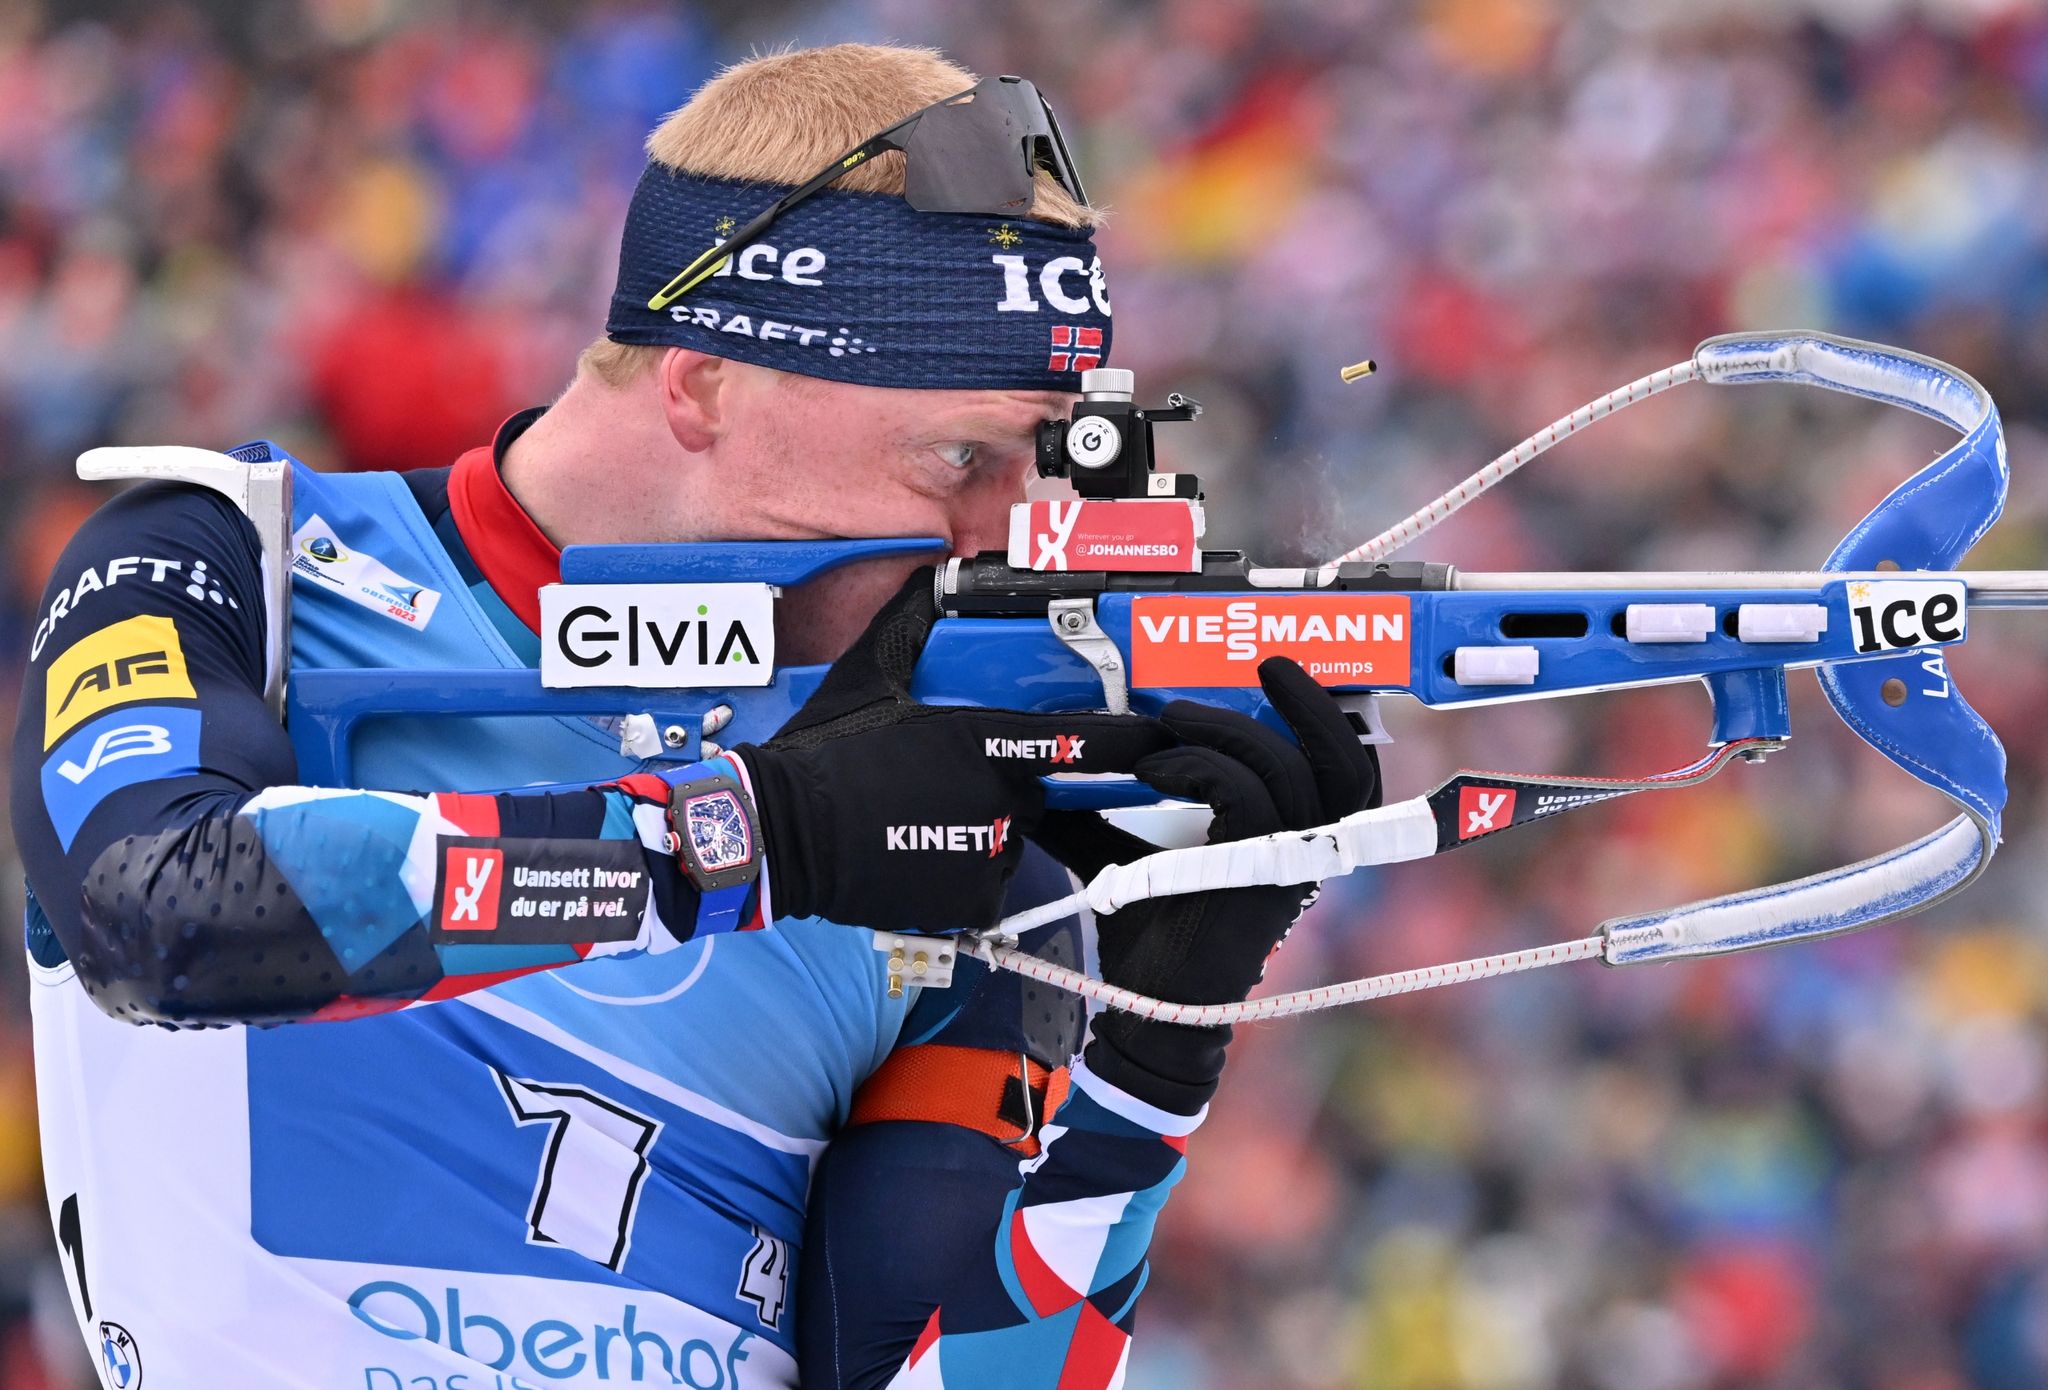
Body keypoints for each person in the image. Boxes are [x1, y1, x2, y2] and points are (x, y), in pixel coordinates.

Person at [12, 44, 1380, 1390]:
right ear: (704, 381)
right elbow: (158, 907)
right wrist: (746, 841)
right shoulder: (240, 561)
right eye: (961, 458)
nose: (1008, 537)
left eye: (1044, 464)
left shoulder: (958, 850)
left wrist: (1146, 1070)